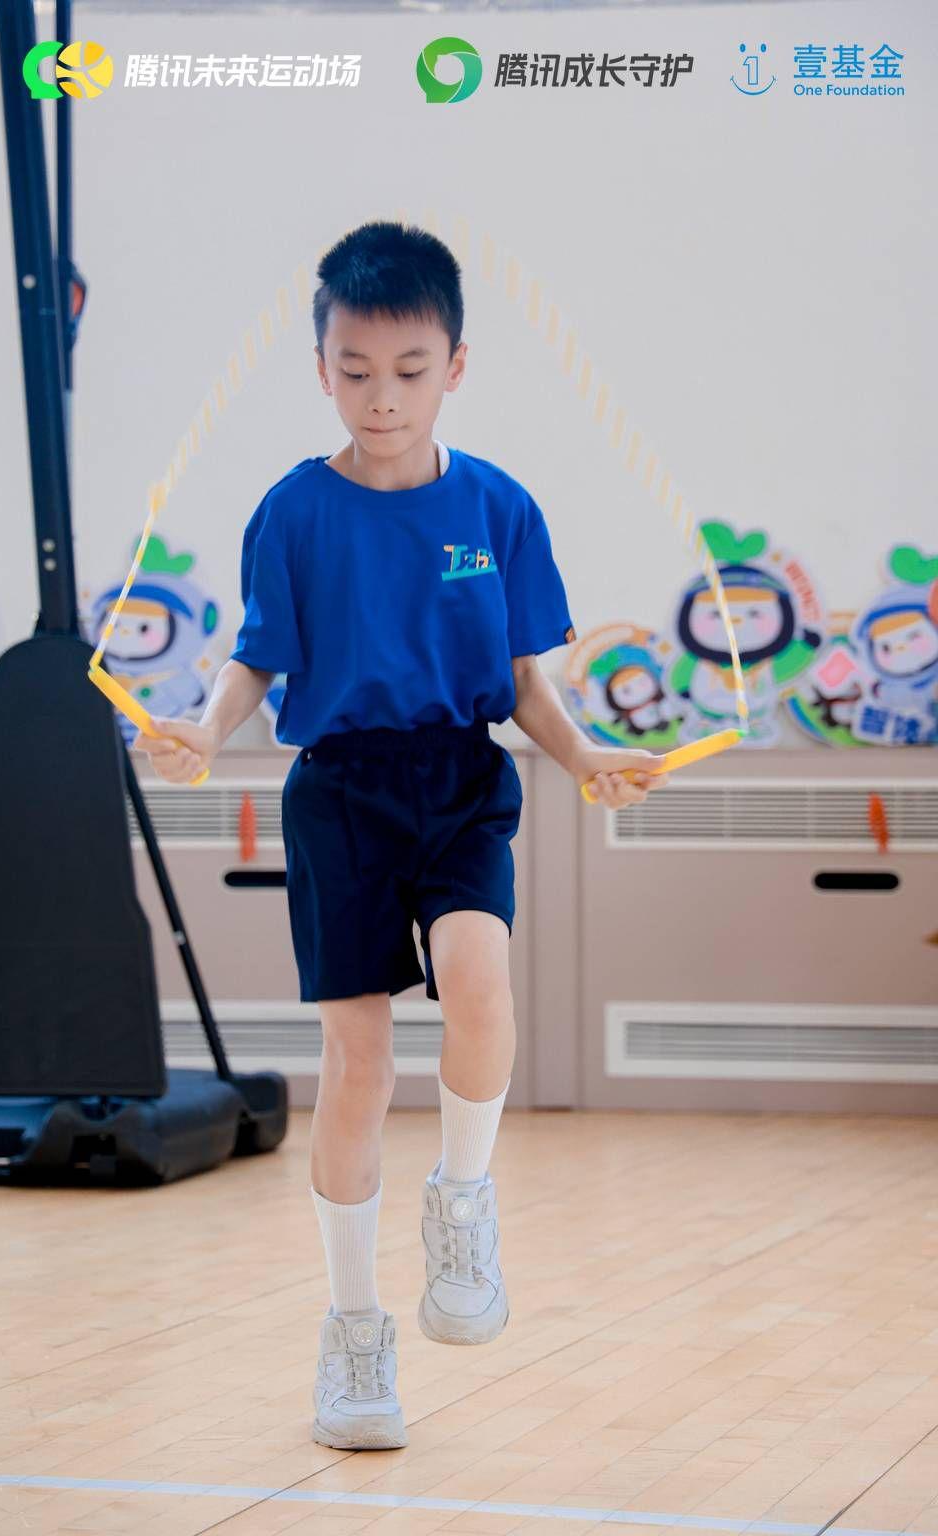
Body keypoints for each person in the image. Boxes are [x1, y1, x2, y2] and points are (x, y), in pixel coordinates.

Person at [135, 220, 669, 1452]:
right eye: (357, 370)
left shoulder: (500, 506)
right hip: (340, 793)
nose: (383, 396)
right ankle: (353, 1333)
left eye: (411, 370)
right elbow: (256, 658)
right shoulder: (293, 512)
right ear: (321, 368)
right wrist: (205, 728)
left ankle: (462, 1203)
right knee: (361, 1065)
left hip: (462, 778)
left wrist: (584, 756)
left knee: (480, 987)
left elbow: (526, 681)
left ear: (455, 366)